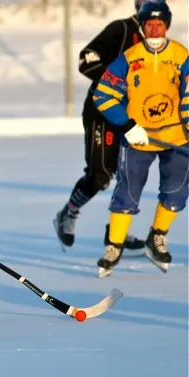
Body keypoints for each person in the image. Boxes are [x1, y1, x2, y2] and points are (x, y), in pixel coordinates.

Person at [92, 1, 188, 278]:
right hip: (139, 138)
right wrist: (128, 124)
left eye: (160, 24)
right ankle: (114, 246)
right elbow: (103, 95)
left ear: (167, 25)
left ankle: (157, 237)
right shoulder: (130, 57)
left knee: (176, 192)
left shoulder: (182, 55)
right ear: (143, 26)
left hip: (177, 137)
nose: (155, 29)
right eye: (149, 24)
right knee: (127, 192)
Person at [53, 0, 159, 252]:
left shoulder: (159, 43)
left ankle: (116, 231)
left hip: (134, 118)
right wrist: (115, 84)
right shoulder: (121, 29)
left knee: (131, 173)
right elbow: (86, 59)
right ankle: (68, 213)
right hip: (102, 113)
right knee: (101, 174)